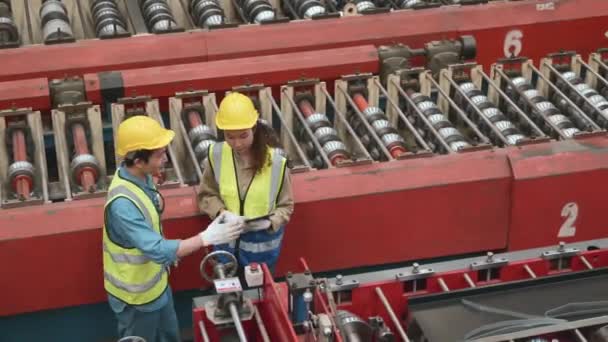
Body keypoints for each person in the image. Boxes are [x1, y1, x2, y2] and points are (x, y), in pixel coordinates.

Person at [103, 115, 244, 342]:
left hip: (157, 285)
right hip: (137, 299)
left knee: (170, 336)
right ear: (138, 161)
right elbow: (157, 250)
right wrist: (207, 237)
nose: (166, 158)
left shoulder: (142, 178)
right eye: (159, 155)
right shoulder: (123, 205)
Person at [197, 92, 294, 275]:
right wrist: (222, 212)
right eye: (230, 136)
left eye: (243, 136)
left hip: (261, 254)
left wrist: (270, 223)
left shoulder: (277, 163)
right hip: (226, 248)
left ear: (254, 129)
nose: (237, 143)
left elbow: (286, 206)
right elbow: (206, 194)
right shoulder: (216, 155)